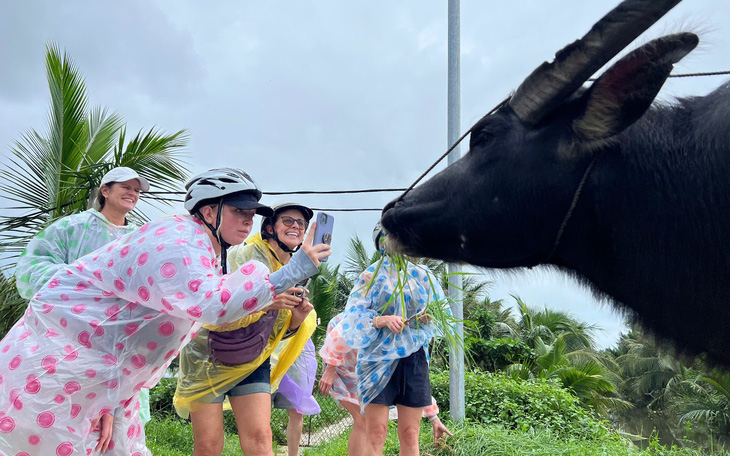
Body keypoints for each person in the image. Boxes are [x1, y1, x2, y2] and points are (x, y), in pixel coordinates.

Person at [0, 167, 329, 456]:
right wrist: (288, 273)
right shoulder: (178, 241)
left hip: (101, 378)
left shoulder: (204, 248)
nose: (247, 219)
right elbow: (212, 305)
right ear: (209, 211)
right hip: (55, 369)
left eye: (251, 213)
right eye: (238, 210)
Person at [174, 201, 321, 456]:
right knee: (208, 444)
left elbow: (273, 331)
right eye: (288, 220)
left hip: (252, 358)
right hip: (208, 355)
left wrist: (295, 320)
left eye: (301, 223)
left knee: (261, 439)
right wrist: (264, 302)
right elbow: (218, 314)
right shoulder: (247, 255)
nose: (296, 226)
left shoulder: (293, 271)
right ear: (270, 228)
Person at [15, 166, 154, 434]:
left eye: (137, 190)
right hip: (72, 344)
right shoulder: (72, 228)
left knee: (122, 435)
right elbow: (31, 268)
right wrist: (84, 287)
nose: (133, 194)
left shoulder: (142, 239)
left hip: (122, 345)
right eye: (126, 187)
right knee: (68, 425)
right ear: (105, 190)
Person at [338, 222, 448, 456]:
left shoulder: (424, 277)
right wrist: (382, 320)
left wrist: (429, 315)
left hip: (414, 358)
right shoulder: (369, 276)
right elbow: (352, 319)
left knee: (410, 432)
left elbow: (442, 312)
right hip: (376, 360)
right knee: (376, 432)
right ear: (381, 242)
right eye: (391, 237)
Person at [318, 313, 452, 456]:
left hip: (369, 366)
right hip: (340, 358)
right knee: (363, 421)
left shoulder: (412, 343)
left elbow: (416, 386)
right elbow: (344, 330)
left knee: (369, 423)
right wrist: (330, 367)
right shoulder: (380, 306)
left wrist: (434, 418)